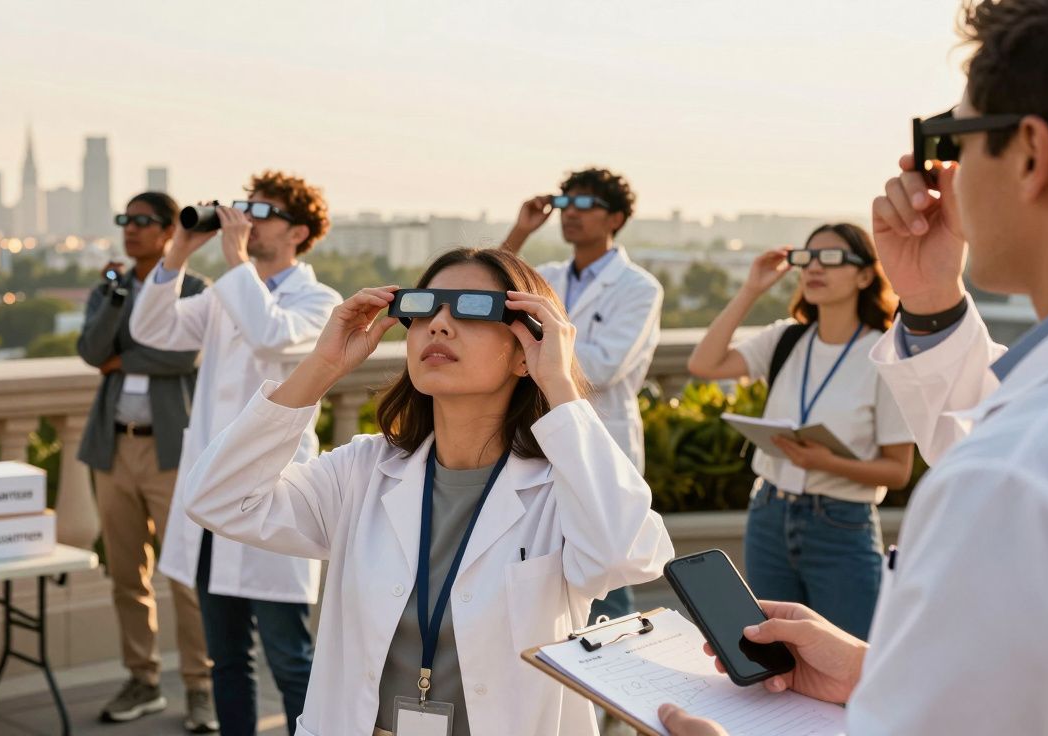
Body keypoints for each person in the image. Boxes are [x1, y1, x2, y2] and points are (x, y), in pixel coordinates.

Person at [660, 1, 1048, 733]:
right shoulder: (1022, 440)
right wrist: (933, 299)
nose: (941, 175)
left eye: (953, 138)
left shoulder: (1015, 476)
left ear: (1030, 155)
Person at [180, 248, 674, 736]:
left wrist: (561, 385)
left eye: (472, 308)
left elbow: (623, 556)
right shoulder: (364, 472)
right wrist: (321, 367)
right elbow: (219, 499)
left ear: (528, 351)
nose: (439, 324)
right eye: (423, 307)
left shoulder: (562, 489)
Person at [130, 171, 339, 735]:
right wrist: (178, 251)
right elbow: (152, 328)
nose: (247, 220)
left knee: (290, 660)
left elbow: (272, 337)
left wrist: (233, 258)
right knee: (225, 659)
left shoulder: (319, 301)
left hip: (275, 497)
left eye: (262, 213)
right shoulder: (228, 294)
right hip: (215, 500)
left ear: (298, 231)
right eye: (245, 210)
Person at [686, 223, 914, 639]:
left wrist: (827, 462)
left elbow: (897, 471)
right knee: (771, 651)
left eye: (831, 258)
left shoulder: (886, 355)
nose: (814, 268)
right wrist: (751, 289)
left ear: (865, 275)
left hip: (841, 526)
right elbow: (704, 364)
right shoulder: (786, 338)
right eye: (807, 258)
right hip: (769, 516)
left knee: (849, 658)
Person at [76, 191, 217, 730]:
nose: (130, 229)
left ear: (169, 231)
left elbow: (181, 354)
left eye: (143, 221)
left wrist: (122, 358)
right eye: (125, 220)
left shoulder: (198, 290)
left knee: (183, 574)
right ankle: (143, 678)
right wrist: (115, 300)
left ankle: (200, 686)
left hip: (170, 449)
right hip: (112, 447)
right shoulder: (107, 288)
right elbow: (91, 352)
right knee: (125, 573)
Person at [501, 167, 663, 625]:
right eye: (566, 202)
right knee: (544, 575)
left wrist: (539, 344)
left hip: (599, 439)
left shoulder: (639, 287)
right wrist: (520, 232)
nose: (571, 212)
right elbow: (481, 293)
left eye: (586, 204)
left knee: (605, 583)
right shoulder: (546, 275)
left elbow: (606, 365)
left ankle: (619, 695)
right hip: (533, 438)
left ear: (615, 218)